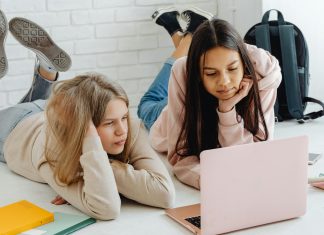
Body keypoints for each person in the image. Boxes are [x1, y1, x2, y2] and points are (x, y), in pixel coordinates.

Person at [0, 11, 175, 220]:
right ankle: (46, 70)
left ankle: (47, 70)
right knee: (28, 106)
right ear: (85, 126)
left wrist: (92, 172)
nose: (122, 131)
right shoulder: (54, 149)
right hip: (14, 128)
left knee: (33, 102)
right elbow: (108, 209)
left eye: (124, 118)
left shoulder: (129, 128)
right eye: (109, 123)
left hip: (49, 109)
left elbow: (165, 195)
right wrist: (93, 166)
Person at [137, 7, 282, 189]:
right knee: (146, 105)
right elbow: (181, 159)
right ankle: (187, 39)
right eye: (211, 73)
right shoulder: (183, 73)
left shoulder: (263, 77)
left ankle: (186, 38)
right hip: (178, 107)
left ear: (244, 64)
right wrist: (216, 182)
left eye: (232, 69)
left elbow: (253, 155)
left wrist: (227, 110)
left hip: (201, 89)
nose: (225, 82)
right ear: (199, 74)